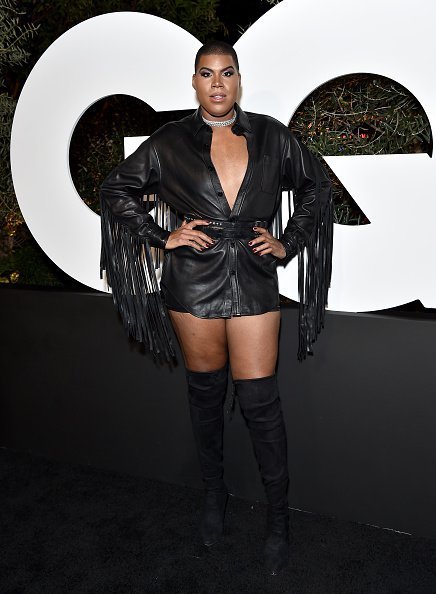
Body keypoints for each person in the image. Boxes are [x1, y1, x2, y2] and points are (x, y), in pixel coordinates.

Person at [99, 41, 333, 576]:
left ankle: (279, 519)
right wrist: (162, 235)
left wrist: (289, 242)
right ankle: (214, 497)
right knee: (206, 399)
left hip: (253, 280)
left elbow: (317, 186)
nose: (218, 84)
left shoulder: (272, 134)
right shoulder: (170, 141)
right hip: (192, 287)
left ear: (239, 79)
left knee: (259, 404)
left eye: (227, 73)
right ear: (195, 82)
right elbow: (117, 189)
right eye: (207, 74)